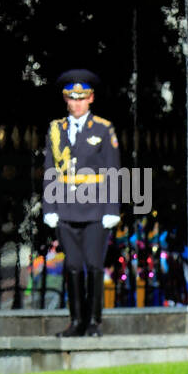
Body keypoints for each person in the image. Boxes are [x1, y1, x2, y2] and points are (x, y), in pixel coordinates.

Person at [42, 69, 121, 338]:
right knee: (73, 265)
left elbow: (112, 170)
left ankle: (94, 322)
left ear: (91, 99)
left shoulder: (103, 128)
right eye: (71, 98)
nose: (76, 103)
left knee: (94, 265)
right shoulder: (56, 129)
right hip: (65, 208)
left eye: (81, 98)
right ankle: (76, 321)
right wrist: (50, 208)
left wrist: (112, 209)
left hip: (96, 208)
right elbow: (49, 170)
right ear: (66, 100)